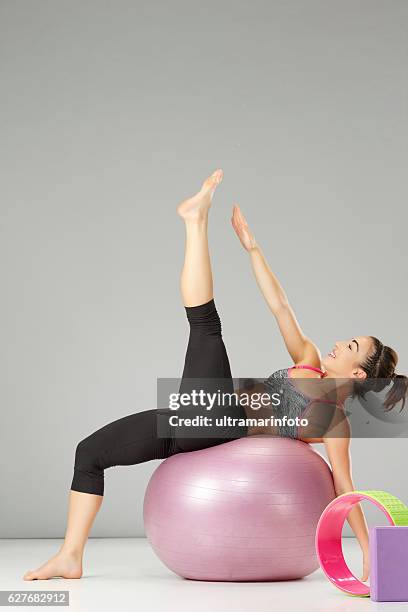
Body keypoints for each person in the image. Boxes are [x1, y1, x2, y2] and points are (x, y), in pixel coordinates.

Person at [23, 169, 407, 582]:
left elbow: (343, 486)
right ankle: (70, 556)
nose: (339, 343)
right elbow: (280, 305)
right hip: (195, 421)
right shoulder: (308, 359)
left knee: (206, 325)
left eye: (350, 348)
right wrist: (253, 248)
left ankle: (195, 221)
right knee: (89, 452)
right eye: (348, 338)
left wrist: (367, 552)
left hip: (219, 424)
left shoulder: (334, 420)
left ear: (355, 373)